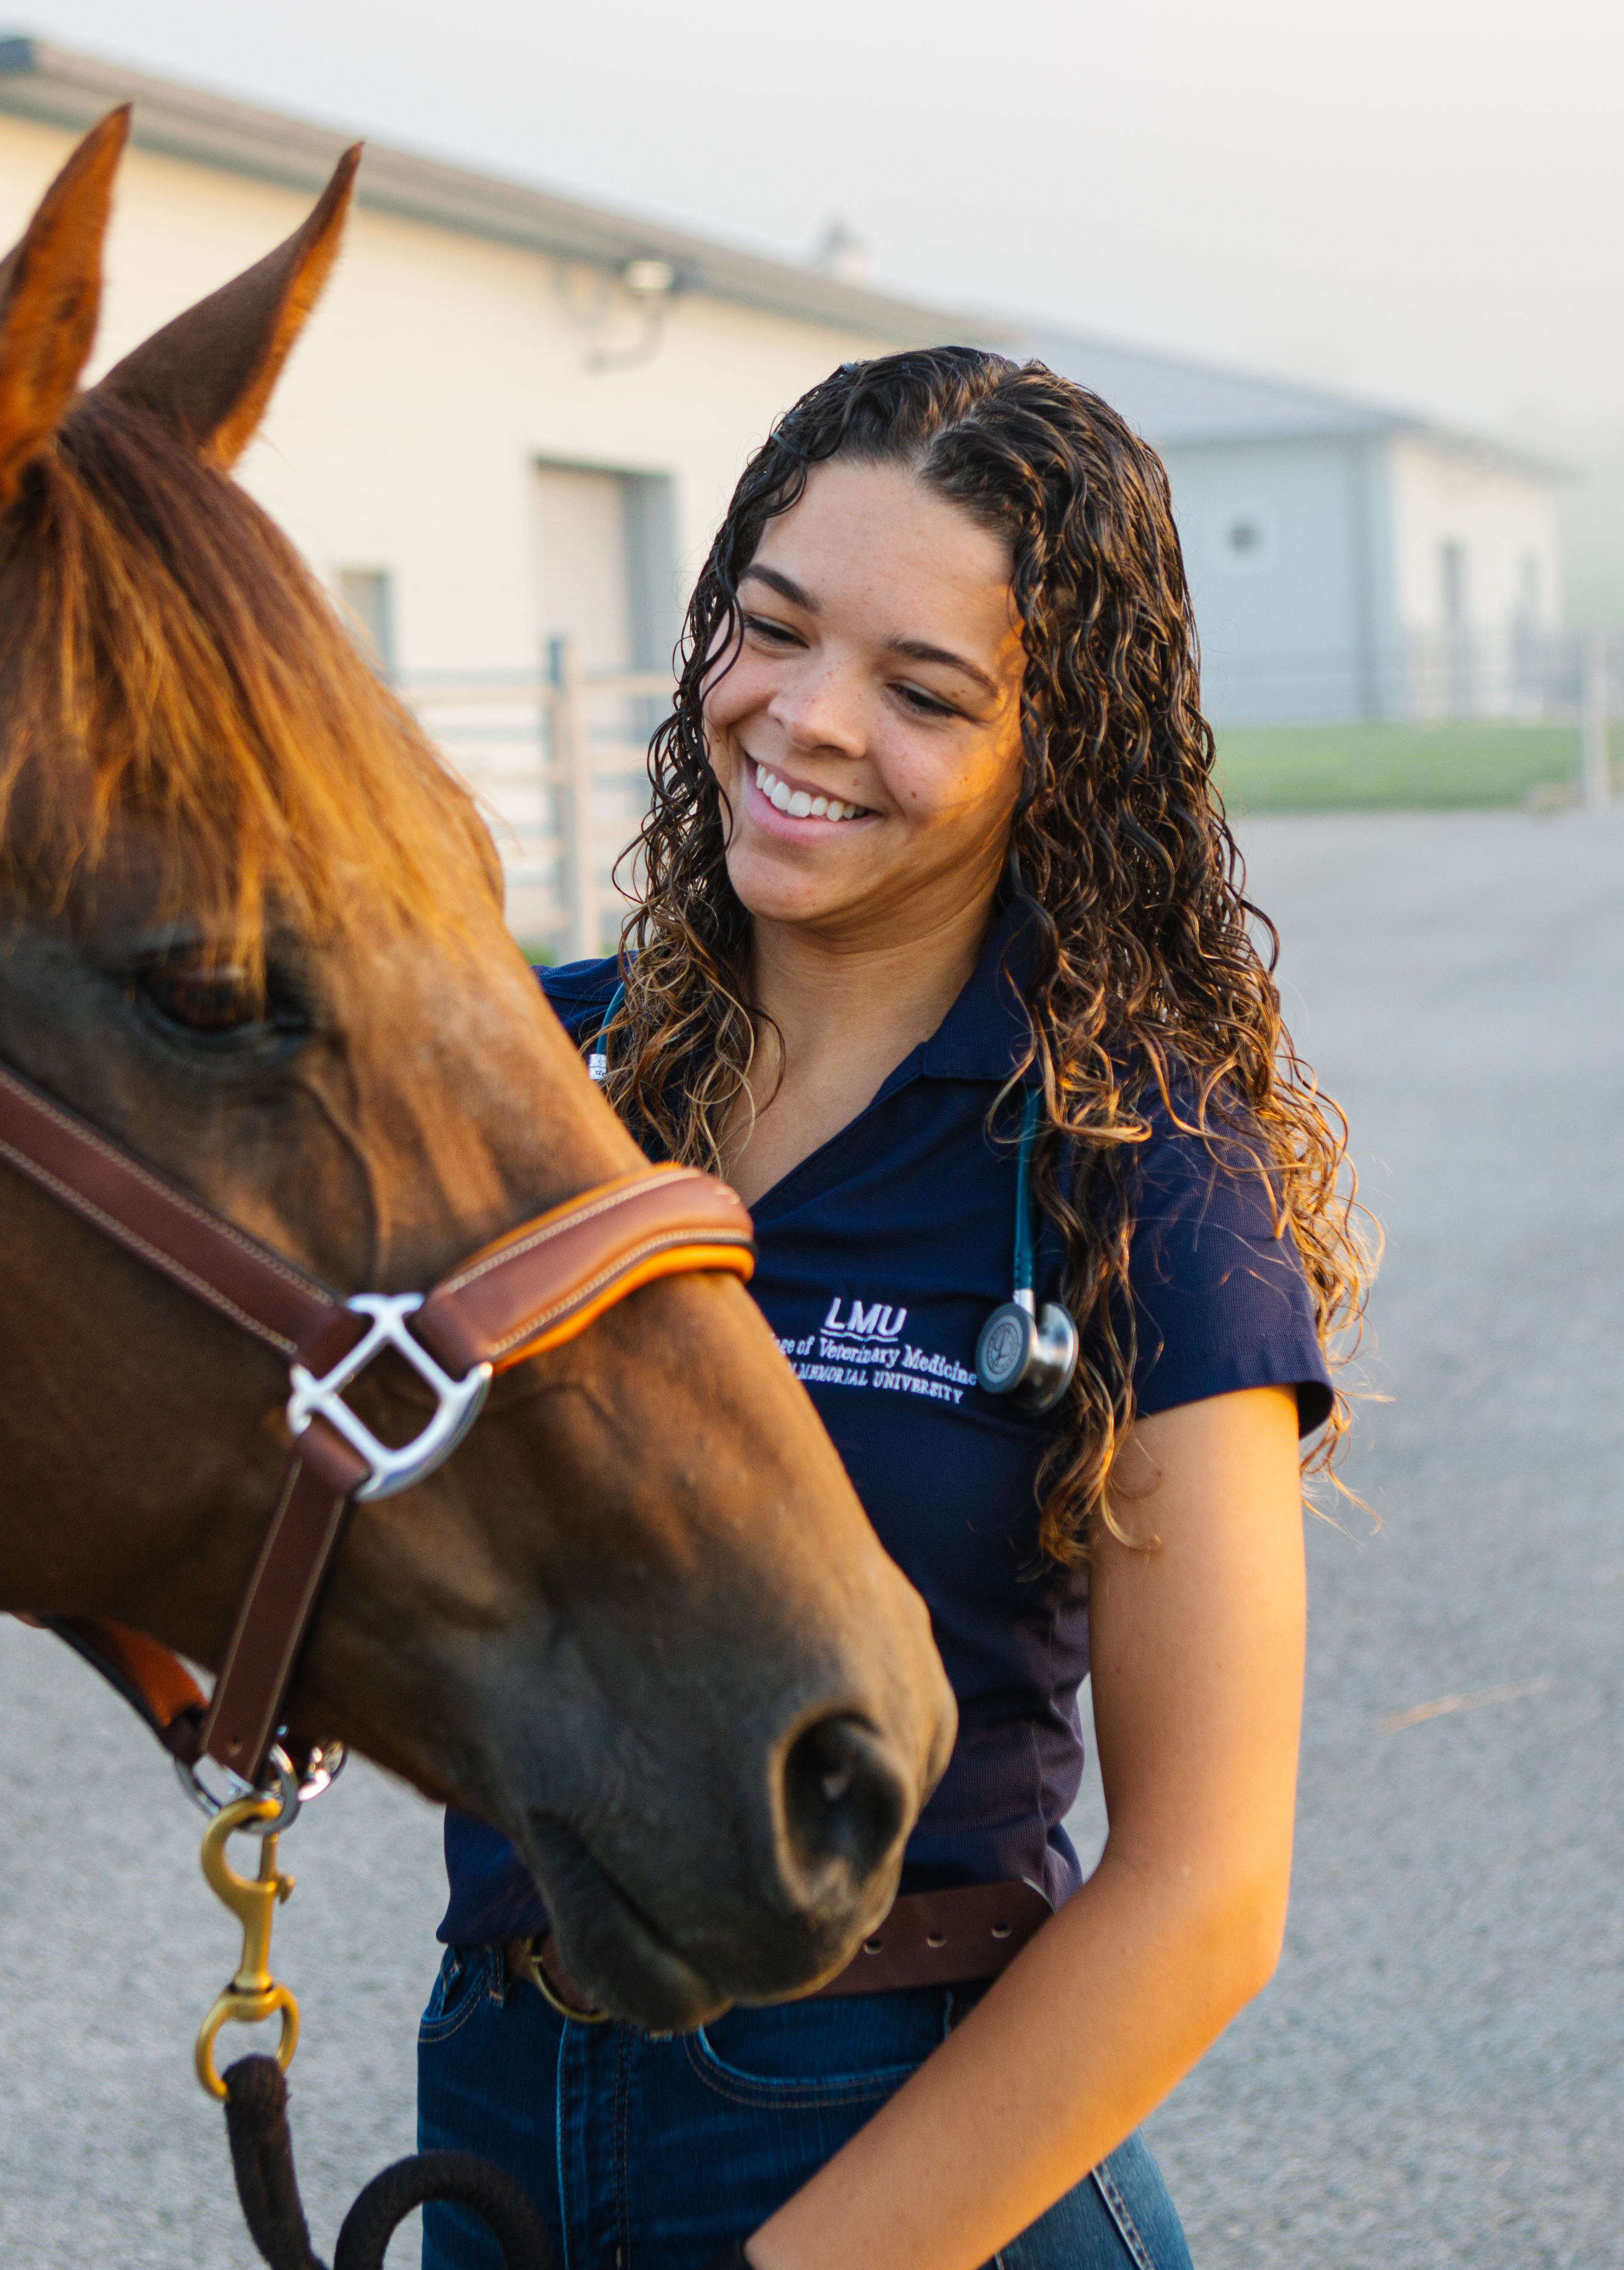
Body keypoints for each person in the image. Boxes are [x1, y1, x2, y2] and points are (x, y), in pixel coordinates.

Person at [418, 347, 1364, 2270]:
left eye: (925, 692)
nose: (810, 719)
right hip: (500, 2119)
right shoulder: (537, 1074)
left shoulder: (1133, 1164)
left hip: (907, 2142)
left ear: (1056, 750)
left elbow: (1207, 1889)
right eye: (772, 631)